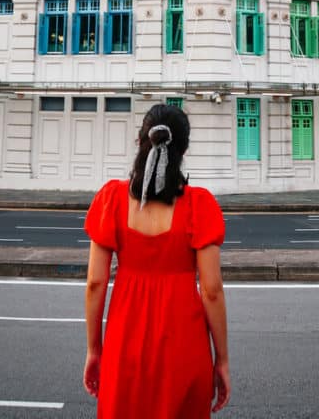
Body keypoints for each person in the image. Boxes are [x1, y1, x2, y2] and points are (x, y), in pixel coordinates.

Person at [83, 103, 230, 417]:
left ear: (141, 142)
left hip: (125, 344)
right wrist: (222, 360)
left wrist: (95, 350)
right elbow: (212, 290)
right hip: (184, 345)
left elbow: (96, 283)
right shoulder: (200, 206)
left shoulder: (111, 199)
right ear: (184, 149)